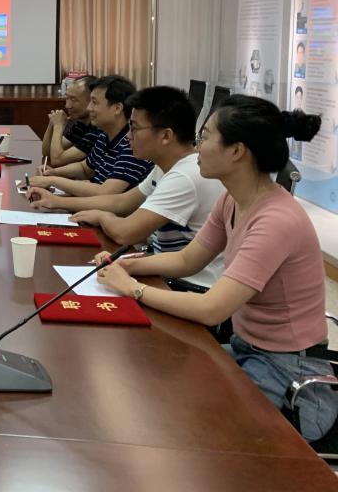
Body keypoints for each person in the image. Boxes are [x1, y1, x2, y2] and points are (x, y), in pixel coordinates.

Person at [94, 96, 337, 441]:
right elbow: (187, 260)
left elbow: (212, 309)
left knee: (195, 430)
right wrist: (125, 264)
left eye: (205, 137)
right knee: (161, 390)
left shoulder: (276, 220)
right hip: (246, 348)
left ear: (236, 151)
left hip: (289, 373)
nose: (197, 147)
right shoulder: (231, 199)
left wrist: (133, 288)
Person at [30, 86, 225, 289]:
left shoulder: (185, 175)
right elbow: (122, 202)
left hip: (186, 287)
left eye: (135, 128)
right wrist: (57, 201)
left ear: (166, 136)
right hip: (161, 272)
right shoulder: (166, 166)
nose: (128, 136)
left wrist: (103, 217)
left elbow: (125, 232)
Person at [28, 75, 153, 196]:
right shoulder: (105, 135)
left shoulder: (133, 143)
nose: (89, 108)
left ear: (117, 108)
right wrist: (53, 173)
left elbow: (105, 192)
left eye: (94, 102)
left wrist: (52, 181)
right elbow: (84, 169)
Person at [41, 76, 101, 168]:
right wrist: (52, 123)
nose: (67, 105)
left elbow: (57, 160)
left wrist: (58, 126)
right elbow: (46, 152)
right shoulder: (81, 124)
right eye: (67, 98)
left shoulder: (98, 130)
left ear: (91, 101)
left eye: (73, 99)